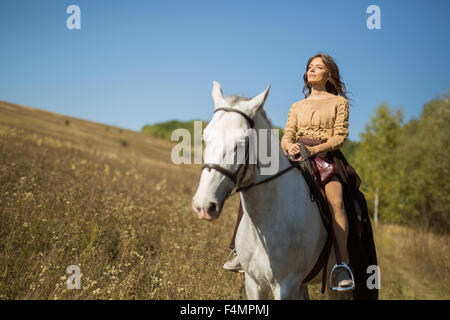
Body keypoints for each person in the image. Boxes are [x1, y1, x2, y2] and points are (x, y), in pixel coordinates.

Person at [223, 53, 378, 298]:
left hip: (326, 159)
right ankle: (238, 252)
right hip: (297, 156)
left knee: (337, 203)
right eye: (310, 67)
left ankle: (342, 266)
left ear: (329, 74)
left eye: (318, 67)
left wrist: (316, 149)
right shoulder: (297, 105)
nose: (312, 70)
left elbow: (340, 137)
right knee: (254, 184)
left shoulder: (339, 103)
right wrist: (288, 146)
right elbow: (288, 135)